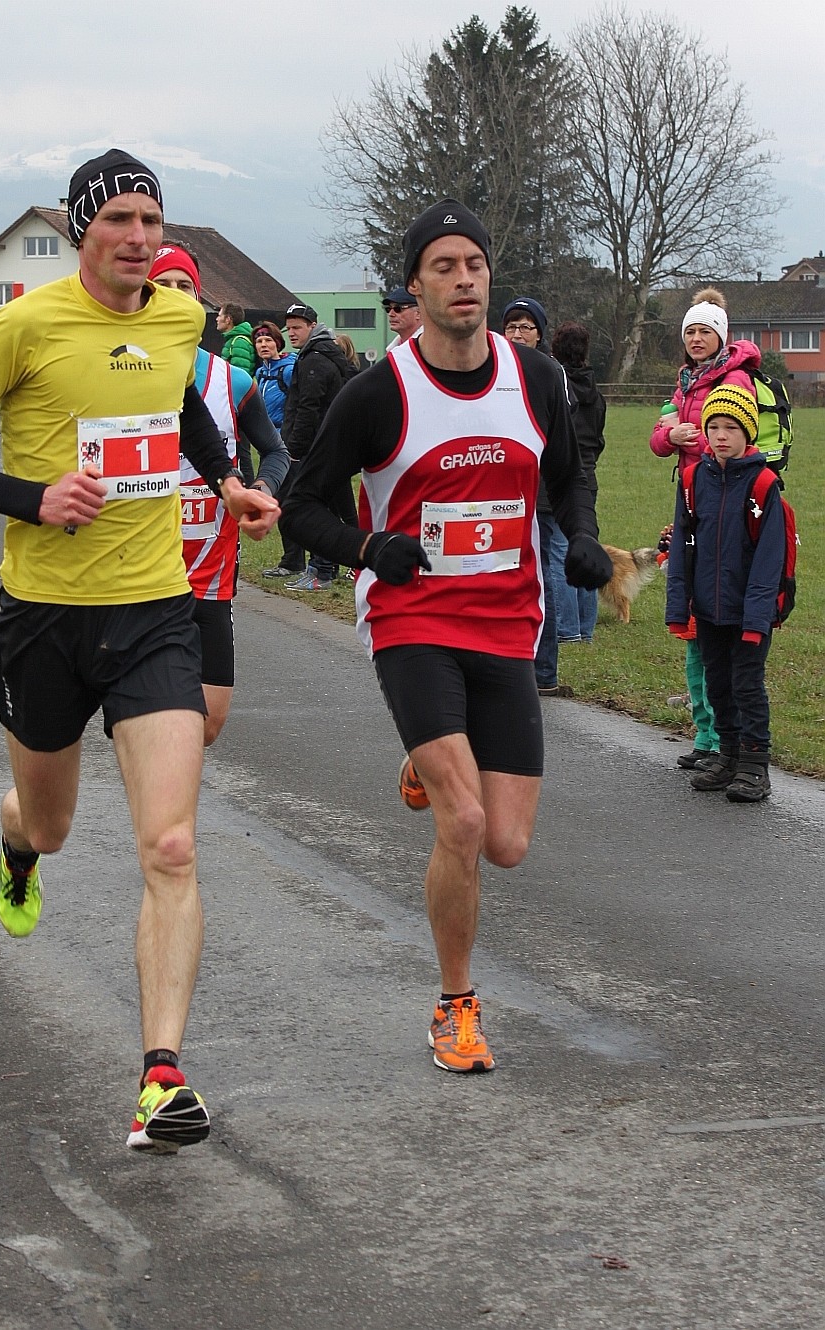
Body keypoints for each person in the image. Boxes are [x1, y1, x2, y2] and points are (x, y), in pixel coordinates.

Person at [0, 148, 280, 1154]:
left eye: (154, 222)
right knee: (54, 822)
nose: (141, 240)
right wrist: (34, 498)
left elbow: (183, 410)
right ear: (83, 231)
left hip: (158, 607)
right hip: (44, 618)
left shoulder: (172, 318)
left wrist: (227, 481)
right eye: (121, 222)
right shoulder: (21, 327)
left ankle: (161, 1074)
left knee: (171, 843)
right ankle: (16, 839)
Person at [281, 199, 610, 1073]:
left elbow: (572, 479)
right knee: (462, 822)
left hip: (507, 622)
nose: (463, 280)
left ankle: (430, 754)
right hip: (412, 618)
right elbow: (303, 505)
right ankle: (455, 1007)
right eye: (444, 268)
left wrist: (578, 536)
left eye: (474, 264)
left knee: (507, 844)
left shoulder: (536, 380)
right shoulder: (378, 391)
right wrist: (367, 547)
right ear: (416, 286)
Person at [148, 242, 290, 744]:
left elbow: (277, 453)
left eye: (183, 287)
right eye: (160, 286)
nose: (172, 296)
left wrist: (261, 489)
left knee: (208, 722)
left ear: (199, 300)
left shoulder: (232, 381)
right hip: (135, 575)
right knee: (147, 723)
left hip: (209, 577)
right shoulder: (117, 371)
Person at [650, 287, 759, 770]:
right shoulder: (686, 381)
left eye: (704, 331)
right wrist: (670, 435)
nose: (696, 338)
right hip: (693, 495)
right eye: (689, 331)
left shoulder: (735, 378)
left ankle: (724, 741)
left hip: (727, 497)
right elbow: (659, 436)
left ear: (721, 336)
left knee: (714, 620)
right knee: (692, 617)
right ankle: (705, 735)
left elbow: (739, 435)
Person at [665, 385, 783, 803]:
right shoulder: (694, 479)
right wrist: (680, 607)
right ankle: (728, 754)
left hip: (749, 611)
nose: (720, 435)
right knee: (717, 683)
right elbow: (681, 545)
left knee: (746, 685)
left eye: (730, 427)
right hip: (708, 607)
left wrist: (757, 619)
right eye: (712, 426)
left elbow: (770, 560)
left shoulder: (764, 485)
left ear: (747, 433)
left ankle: (754, 763)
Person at [501, 298, 573, 693]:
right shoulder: (492, 368)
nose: (518, 334)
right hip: (500, 493)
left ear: (540, 333)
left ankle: (543, 671)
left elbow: (564, 433)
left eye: (526, 327)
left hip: (540, 495)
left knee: (539, 580)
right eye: (512, 326)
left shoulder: (550, 371)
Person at [276, 302, 358, 590]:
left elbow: (307, 407)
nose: (292, 333)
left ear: (312, 326)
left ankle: (321, 569)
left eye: (298, 327)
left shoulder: (314, 358)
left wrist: (295, 448)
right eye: (289, 328)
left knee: (314, 508)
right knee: (339, 506)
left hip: (314, 446)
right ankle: (336, 564)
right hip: (330, 443)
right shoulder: (328, 353)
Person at [551, 322, 607, 644]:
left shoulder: (556, 386)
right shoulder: (595, 391)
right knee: (585, 546)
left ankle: (568, 629)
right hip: (590, 475)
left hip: (565, 475)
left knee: (559, 553)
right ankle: (586, 628)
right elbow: (598, 436)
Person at [252, 320, 295, 429]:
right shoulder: (260, 372)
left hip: (285, 433)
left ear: (277, 343)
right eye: (259, 341)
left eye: (268, 340)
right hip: (267, 432)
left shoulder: (288, 371)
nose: (263, 345)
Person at [216, 302, 257, 375]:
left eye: (219, 316)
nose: (217, 319)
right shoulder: (234, 339)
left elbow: (240, 375)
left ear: (228, 319)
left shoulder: (239, 342)